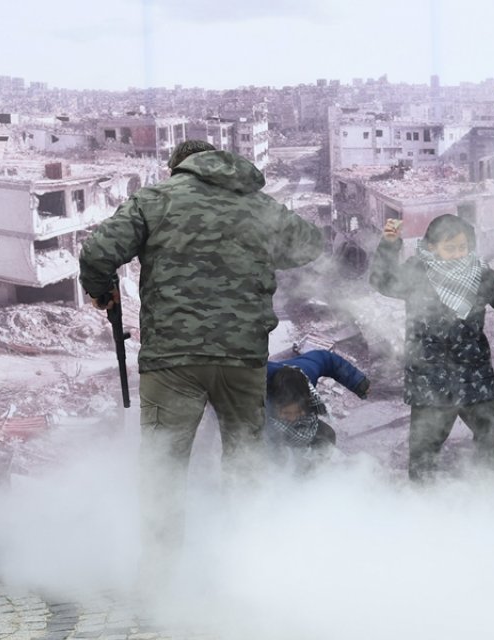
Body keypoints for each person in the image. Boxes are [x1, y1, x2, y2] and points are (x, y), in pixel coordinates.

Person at [78, 140, 324, 587]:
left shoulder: (156, 199)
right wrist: (256, 248)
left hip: (173, 361)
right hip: (243, 358)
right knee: (246, 464)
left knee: (164, 468)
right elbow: (309, 244)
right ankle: (246, 573)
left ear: (179, 167)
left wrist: (102, 291)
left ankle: (159, 580)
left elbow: (98, 252)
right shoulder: (258, 205)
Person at [369, 213, 494, 482]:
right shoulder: (417, 272)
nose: (458, 254)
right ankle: (423, 505)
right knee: (424, 451)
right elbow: (383, 281)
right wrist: (389, 245)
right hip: (429, 379)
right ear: (431, 248)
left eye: (463, 247)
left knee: (492, 436)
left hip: (472, 376)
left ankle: (486, 492)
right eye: (450, 248)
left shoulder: (478, 274)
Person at [265, 350, 371, 472]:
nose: (293, 418)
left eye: (298, 412)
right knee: (275, 457)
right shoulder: (254, 394)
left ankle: (310, 474)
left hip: (292, 424)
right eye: (287, 413)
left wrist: (357, 381)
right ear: (275, 403)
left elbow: (326, 359)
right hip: (267, 426)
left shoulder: (307, 370)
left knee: (327, 435)